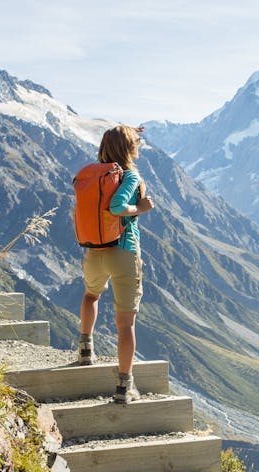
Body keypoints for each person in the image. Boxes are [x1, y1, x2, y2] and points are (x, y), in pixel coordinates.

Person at [77, 124, 154, 403]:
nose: (139, 146)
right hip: (123, 252)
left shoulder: (94, 176)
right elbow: (118, 207)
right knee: (125, 323)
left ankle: (85, 349)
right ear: (128, 149)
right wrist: (141, 209)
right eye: (136, 142)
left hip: (94, 250)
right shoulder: (129, 176)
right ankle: (124, 386)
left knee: (90, 295)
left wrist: (131, 129)